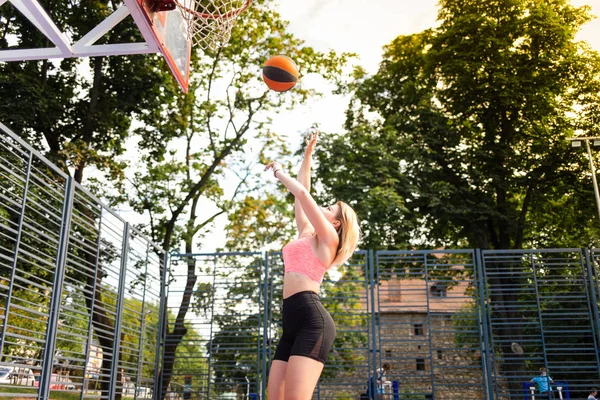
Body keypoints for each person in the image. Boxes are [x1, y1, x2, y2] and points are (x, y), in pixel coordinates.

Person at [265, 132, 361, 400]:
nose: (323, 207)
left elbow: (302, 192)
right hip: (290, 323)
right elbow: (301, 194)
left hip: (311, 322)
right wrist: (307, 156)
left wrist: (279, 171)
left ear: (337, 223)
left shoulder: (328, 240)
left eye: (329, 207)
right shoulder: (306, 234)